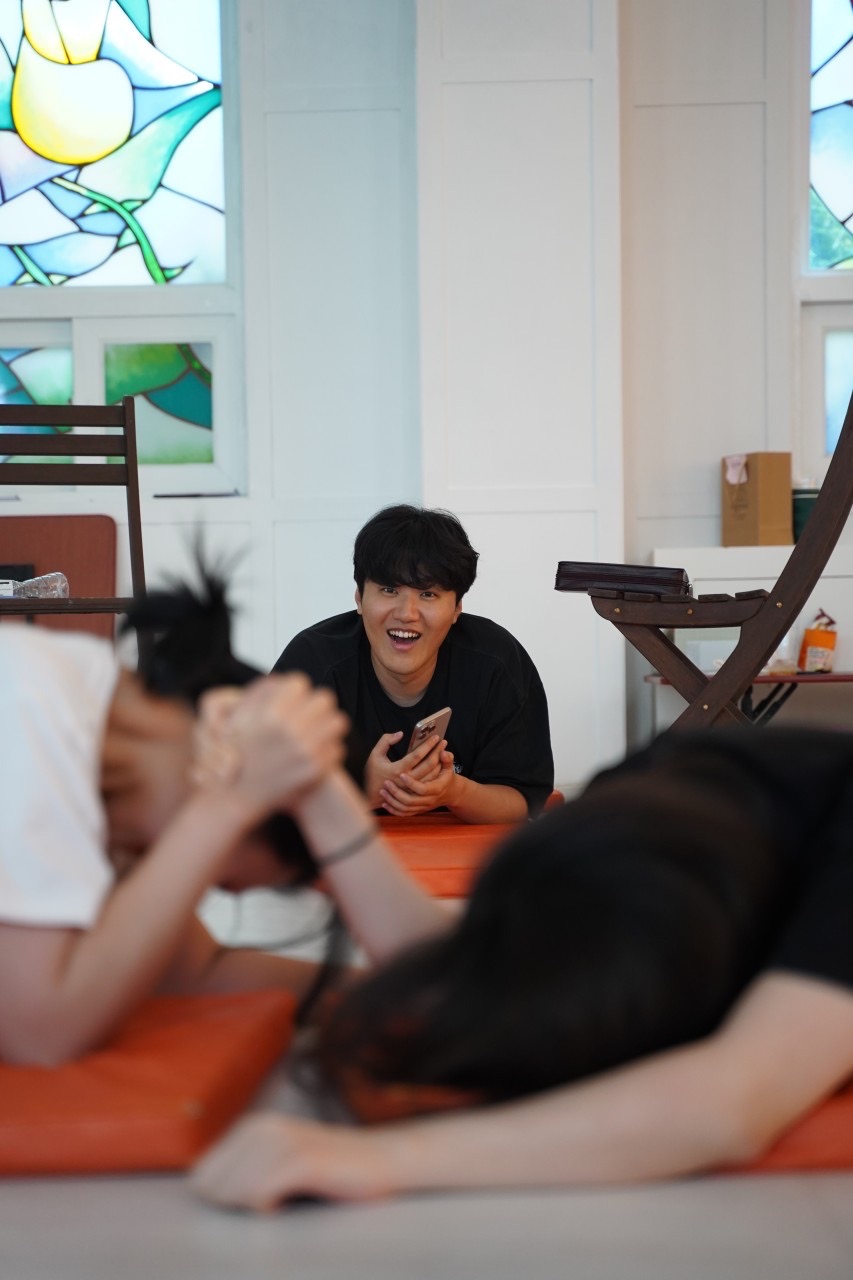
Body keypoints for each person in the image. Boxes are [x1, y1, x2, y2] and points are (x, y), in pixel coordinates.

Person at [192, 724, 853, 1211]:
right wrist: (324, 798)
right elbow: (466, 958)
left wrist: (378, 1160)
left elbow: (730, 1105)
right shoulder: (639, 804)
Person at [0, 568, 451, 1067]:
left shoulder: (82, 712)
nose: (191, 878)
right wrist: (228, 804)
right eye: (219, 876)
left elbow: (193, 971)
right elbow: (38, 1033)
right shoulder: (33, 698)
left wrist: (395, 1002)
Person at [272, 504, 554, 823]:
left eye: (428, 594)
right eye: (389, 590)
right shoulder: (311, 664)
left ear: (457, 608)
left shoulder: (496, 662)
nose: (406, 613)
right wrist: (361, 790)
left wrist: (454, 792)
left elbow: (523, 800)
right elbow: (262, 803)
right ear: (359, 598)